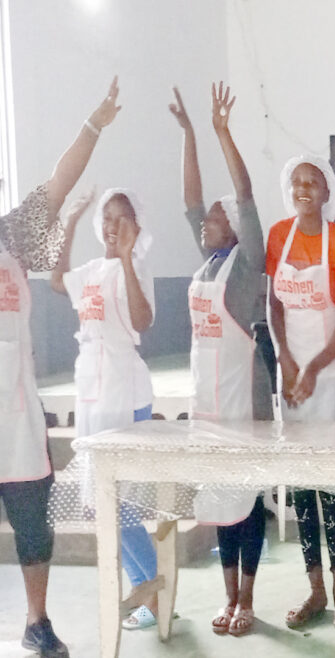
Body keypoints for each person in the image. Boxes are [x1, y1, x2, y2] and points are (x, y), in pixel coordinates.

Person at [2, 75, 119, 658]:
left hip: (18, 420)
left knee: (34, 531)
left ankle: (37, 622)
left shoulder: (13, 239)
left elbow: (57, 184)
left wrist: (93, 125)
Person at [169, 82, 268, 637]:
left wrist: (222, 133)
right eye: (206, 220)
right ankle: (228, 596)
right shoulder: (206, 266)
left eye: (214, 217)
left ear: (232, 223)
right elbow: (188, 202)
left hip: (241, 401)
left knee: (246, 501)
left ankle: (249, 598)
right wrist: (188, 135)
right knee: (219, 501)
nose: (204, 223)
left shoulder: (246, 263)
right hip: (206, 403)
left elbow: (247, 193)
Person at [51, 184, 159, 631]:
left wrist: (128, 262)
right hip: (93, 391)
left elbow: (141, 321)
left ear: (135, 226)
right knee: (102, 501)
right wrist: (72, 222)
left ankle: (154, 589)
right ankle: (145, 589)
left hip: (125, 393)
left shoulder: (136, 268)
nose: (113, 226)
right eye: (107, 217)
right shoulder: (92, 270)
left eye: (122, 218)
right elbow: (57, 280)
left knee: (123, 501)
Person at [265, 154, 335, 630]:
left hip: (327, 377)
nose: (303, 188)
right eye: (297, 181)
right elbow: (275, 305)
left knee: (330, 481)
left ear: (326, 193)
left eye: (313, 183)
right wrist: (285, 359)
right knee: (300, 483)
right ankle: (315, 587)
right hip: (292, 376)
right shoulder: (278, 236)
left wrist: (314, 369)